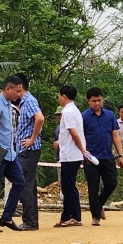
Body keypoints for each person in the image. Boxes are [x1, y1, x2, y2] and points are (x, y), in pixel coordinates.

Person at [0, 76, 29, 233]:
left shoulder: (8, 105)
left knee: (20, 182)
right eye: (17, 91)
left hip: (10, 153)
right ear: (8, 88)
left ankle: (7, 216)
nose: (18, 94)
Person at [81, 86, 123, 225]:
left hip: (107, 156)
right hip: (90, 158)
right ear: (88, 101)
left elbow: (115, 136)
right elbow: (79, 137)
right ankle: (96, 216)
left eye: (99, 100)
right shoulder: (83, 117)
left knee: (112, 182)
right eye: (94, 101)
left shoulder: (110, 115)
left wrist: (120, 155)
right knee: (93, 187)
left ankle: (98, 204)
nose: (97, 103)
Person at [53, 86, 88, 227]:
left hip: (70, 154)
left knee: (69, 186)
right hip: (71, 154)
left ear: (64, 96)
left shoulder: (67, 112)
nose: (58, 98)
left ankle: (75, 216)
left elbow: (74, 133)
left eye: (59, 96)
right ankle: (65, 216)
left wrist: (82, 150)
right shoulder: (75, 110)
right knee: (66, 186)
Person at [13, 73, 44, 230]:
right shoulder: (24, 102)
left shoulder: (29, 100)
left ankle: (29, 222)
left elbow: (40, 118)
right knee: (28, 185)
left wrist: (32, 138)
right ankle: (31, 221)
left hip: (29, 150)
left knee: (24, 184)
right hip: (25, 150)